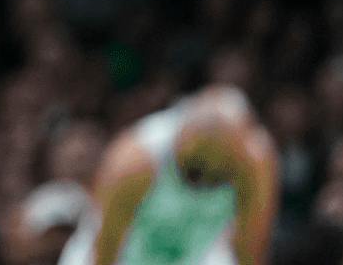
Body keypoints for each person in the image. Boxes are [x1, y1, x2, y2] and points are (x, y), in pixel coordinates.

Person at [59, 86, 279, 265]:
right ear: (180, 139)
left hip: (192, 253)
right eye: (193, 175)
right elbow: (105, 246)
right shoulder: (135, 160)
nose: (202, 187)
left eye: (216, 179)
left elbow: (251, 247)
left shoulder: (258, 163)